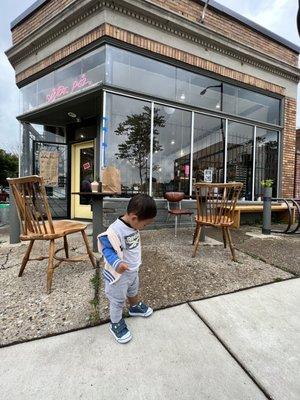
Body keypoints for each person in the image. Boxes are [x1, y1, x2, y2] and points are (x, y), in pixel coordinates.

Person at [98, 194, 157, 344]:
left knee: (133, 291)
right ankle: (115, 323)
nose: (143, 228)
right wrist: (117, 262)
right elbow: (106, 248)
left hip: (132, 270)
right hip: (120, 274)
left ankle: (134, 307)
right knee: (117, 300)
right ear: (134, 218)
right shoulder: (114, 230)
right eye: (144, 225)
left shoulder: (132, 225)